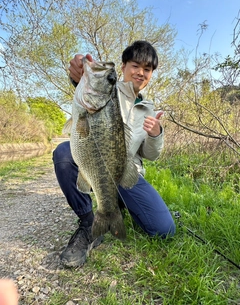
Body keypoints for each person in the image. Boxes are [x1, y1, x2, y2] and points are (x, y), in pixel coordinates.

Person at [53, 40, 176, 267]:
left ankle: (118, 204)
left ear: (151, 74)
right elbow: (83, 79)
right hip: (98, 165)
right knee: (63, 153)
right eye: (135, 66)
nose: (141, 72)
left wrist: (156, 134)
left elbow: (150, 155)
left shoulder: (149, 108)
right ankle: (88, 222)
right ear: (123, 67)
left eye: (147, 69)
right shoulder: (108, 89)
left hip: (126, 172)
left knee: (164, 229)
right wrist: (79, 68)